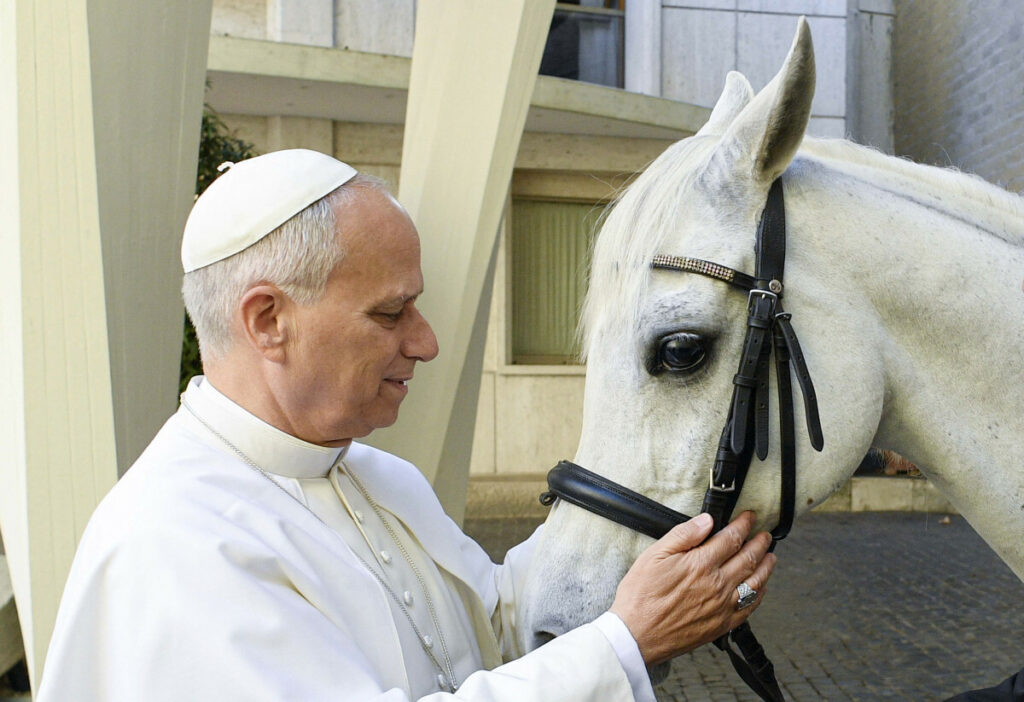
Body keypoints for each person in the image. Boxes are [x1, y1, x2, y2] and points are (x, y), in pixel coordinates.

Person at [36, 149, 777, 701]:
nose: (426, 342)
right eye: (391, 312)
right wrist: (625, 644)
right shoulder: (168, 544)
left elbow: (494, 628)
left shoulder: (378, 476)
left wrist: (626, 538)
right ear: (268, 321)